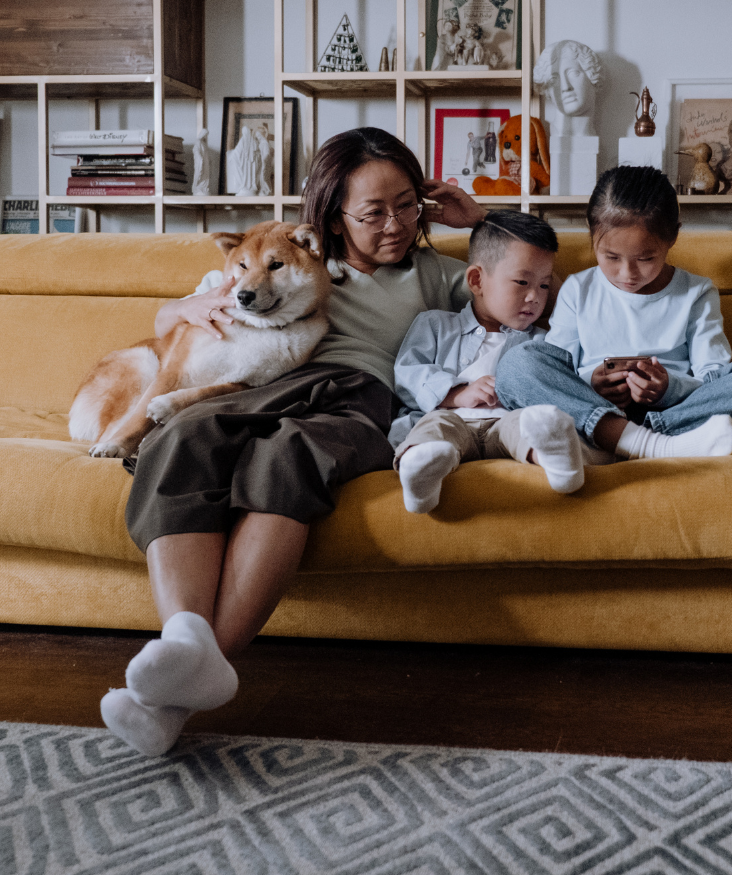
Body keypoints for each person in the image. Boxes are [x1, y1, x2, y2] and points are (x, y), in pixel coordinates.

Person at [100, 127, 487, 757]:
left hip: (356, 395)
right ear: (332, 217)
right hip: (260, 382)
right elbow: (175, 316)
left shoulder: (434, 274)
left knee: (284, 457)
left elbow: (521, 286)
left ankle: (181, 682)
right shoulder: (279, 255)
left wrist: (481, 222)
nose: (395, 224)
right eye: (373, 212)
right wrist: (181, 312)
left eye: (409, 204)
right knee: (185, 433)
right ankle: (185, 648)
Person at [495, 165, 732, 460]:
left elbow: (711, 376)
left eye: (646, 258)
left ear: (672, 239)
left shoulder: (696, 293)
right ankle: (646, 444)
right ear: (591, 234)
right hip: (591, 407)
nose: (627, 273)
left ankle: (626, 442)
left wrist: (668, 388)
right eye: (611, 257)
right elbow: (559, 367)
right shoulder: (578, 288)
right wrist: (591, 383)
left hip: (676, 411)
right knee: (517, 364)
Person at [391, 210, 596, 514]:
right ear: (476, 280)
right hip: (452, 421)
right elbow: (407, 373)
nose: (534, 298)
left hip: (506, 425)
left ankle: (560, 466)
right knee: (436, 428)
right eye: (522, 282)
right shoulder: (435, 325)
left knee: (531, 424)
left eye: (543, 285)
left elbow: (564, 379)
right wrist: (457, 393)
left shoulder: (541, 342)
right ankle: (423, 476)